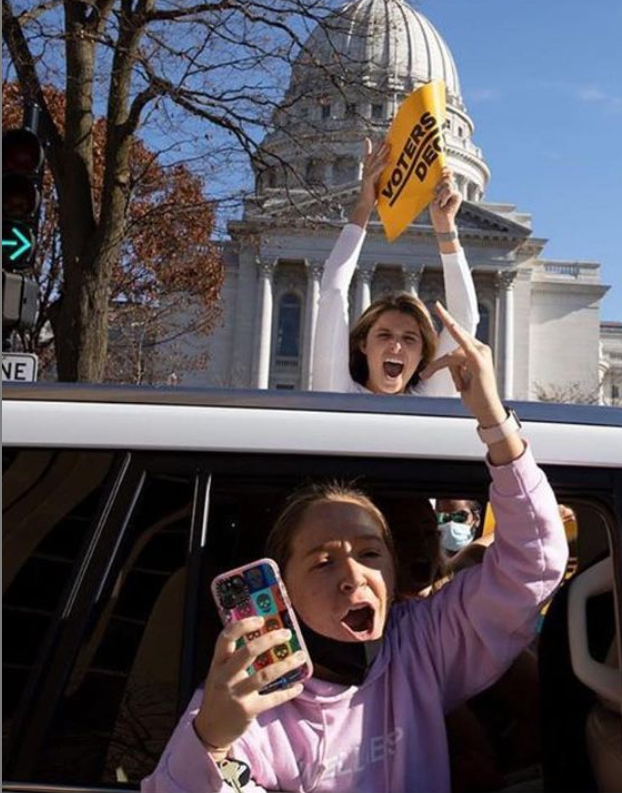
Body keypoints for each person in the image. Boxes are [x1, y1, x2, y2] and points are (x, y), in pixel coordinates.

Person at [144, 304, 568, 793]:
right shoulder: (247, 697)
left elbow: (533, 565)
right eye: (324, 561)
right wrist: (211, 743)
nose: (354, 576)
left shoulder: (420, 645)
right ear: (283, 584)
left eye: (370, 555)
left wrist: (496, 425)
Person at [311, 139, 479, 397]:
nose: (396, 346)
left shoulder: (430, 400)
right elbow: (332, 294)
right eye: (384, 335)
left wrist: (446, 229)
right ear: (363, 344)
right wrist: (364, 205)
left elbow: (464, 319)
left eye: (410, 338)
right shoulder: (338, 392)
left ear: (423, 352)